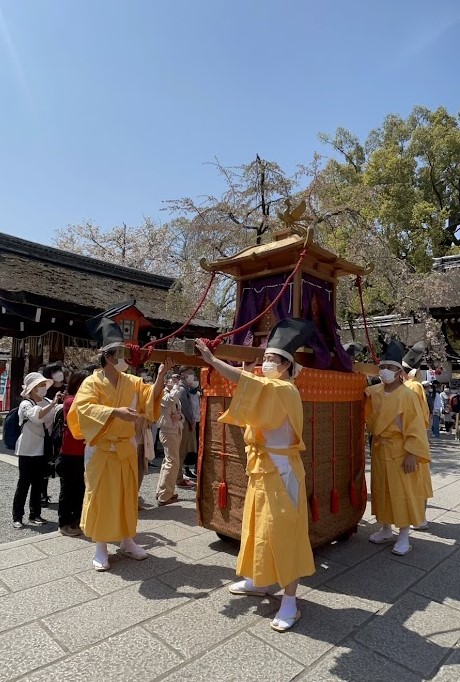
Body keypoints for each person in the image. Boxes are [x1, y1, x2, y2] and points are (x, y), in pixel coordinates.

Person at [196, 318, 316, 633]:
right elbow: (253, 385)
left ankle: (290, 600)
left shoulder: (286, 390)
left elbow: (250, 383)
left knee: (283, 533)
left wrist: (213, 361)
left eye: (272, 359)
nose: (264, 364)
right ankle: (259, 580)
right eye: (263, 359)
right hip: (262, 469)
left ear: (288, 366)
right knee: (256, 526)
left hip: (282, 470)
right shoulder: (270, 389)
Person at [67, 316, 169, 571]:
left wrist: (161, 376)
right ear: (109, 356)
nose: (125, 358)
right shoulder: (91, 382)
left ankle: (127, 540)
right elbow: (83, 409)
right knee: (100, 496)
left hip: (125, 446)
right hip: (102, 449)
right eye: (121, 353)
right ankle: (100, 546)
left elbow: (149, 399)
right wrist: (114, 412)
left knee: (126, 495)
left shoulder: (131, 382)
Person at [366, 340, 432, 556]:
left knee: (402, 493)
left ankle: (404, 535)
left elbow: (416, 428)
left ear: (399, 372)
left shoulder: (409, 396)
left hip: (400, 450)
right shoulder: (373, 392)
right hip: (379, 448)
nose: (385, 371)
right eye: (382, 367)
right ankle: (385, 528)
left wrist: (412, 453)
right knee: (381, 490)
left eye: (391, 368)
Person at [12, 372, 62, 528]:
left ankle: (35, 514)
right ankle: (17, 517)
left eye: (43, 385)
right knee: (24, 484)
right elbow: (37, 417)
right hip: (27, 449)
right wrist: (53, 404)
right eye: (39, 385)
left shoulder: (47, 400)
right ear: (32, 388)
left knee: (38, 484)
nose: (42, 388)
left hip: (43, 449)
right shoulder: (26, 404)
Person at [55, 369, 90, 536]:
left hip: (83, 452)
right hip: (70, 452)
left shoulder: (80, 400)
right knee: (68, 489)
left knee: (81, 488)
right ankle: (64, 523)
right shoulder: (70, 401)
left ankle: (77, 519)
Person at [156, 374, 184, 505]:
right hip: (168, 431)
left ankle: (164, 492)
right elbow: (169, 399)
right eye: (172, 379)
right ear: (165, 381)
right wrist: (177, 385)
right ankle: (164, 496)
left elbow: (179, 412)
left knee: (168, 462)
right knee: (172, 462)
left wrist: (179, 418)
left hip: (175, 429)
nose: (175, 381)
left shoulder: (174, 395)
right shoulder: (162, 393)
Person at [176, 366, 198, 489]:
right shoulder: (181, 389)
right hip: (183, 422)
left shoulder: (186, 388)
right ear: (183, 374)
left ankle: (179, 476)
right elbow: (185, 408)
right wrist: (191, 421)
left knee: (182, 451)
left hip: (185, 422)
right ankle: (178, 478)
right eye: (190, 373)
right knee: (181, 451)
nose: (192, 376)